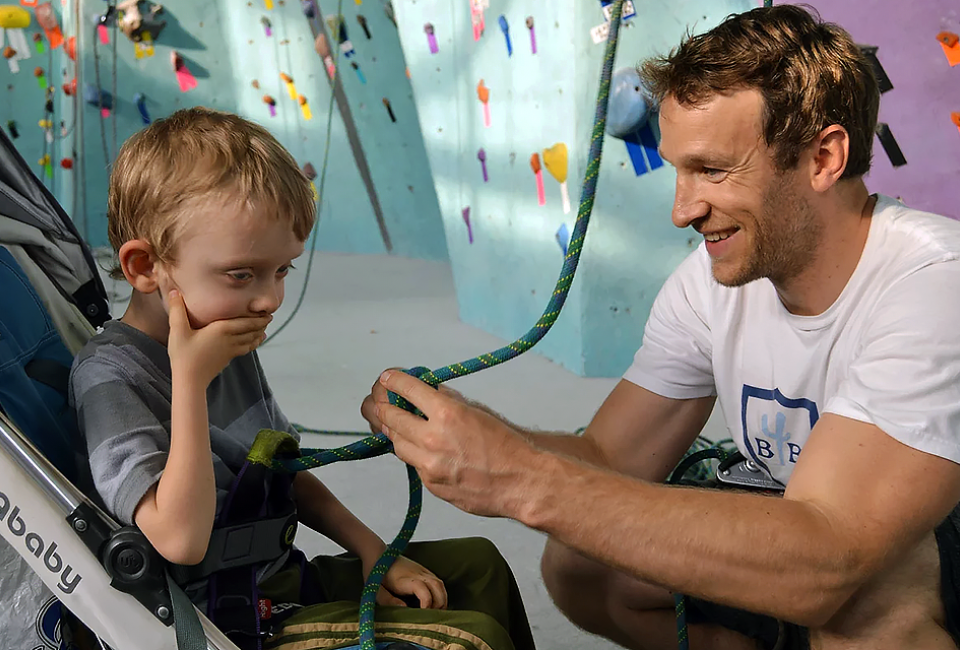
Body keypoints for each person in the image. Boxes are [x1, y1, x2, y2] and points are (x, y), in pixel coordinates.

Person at [362, 6, 960, 650]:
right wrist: (470, 439)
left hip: (921, 541)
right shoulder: (711, 282)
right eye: (677, 168)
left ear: (823, 157)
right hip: (806, 520)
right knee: (582, 565)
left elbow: (829, 560)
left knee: (860, 612)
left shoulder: (932, 283)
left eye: (712, 169)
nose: (683, 209)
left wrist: (521, 480)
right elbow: (612, 460)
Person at [69, 108, 535, 650]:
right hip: (220, 615)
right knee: (466, 638)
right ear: (145, 267)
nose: (269, 299)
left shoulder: (225, 336)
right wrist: (190, 380)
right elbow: (179, 539)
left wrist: (373, 552)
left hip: (276, 579)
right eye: (241, 274)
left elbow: (278, 473)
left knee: (478, 565)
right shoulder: (111, 377)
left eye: (282, 270)